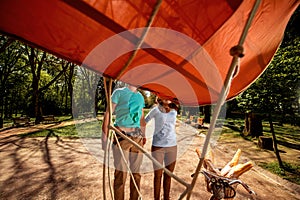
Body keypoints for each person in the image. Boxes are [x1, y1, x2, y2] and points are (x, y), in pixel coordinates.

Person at [102, 84, 146, 200]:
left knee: (136, 174)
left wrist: (144, 134)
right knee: (121, 175)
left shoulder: (140, 97)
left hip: (137, 137)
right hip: (121, 136)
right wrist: (104, 137)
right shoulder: (118, 93)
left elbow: (141, 117)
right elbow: (108, 113)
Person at [145, 97, 179, 200]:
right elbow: (144, 121)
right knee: (158, 175)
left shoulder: (174, 110)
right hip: (158, 146)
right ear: (160, 97)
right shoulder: (155, 110)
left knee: (168, 175)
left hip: (172, 146)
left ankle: (166, 198)